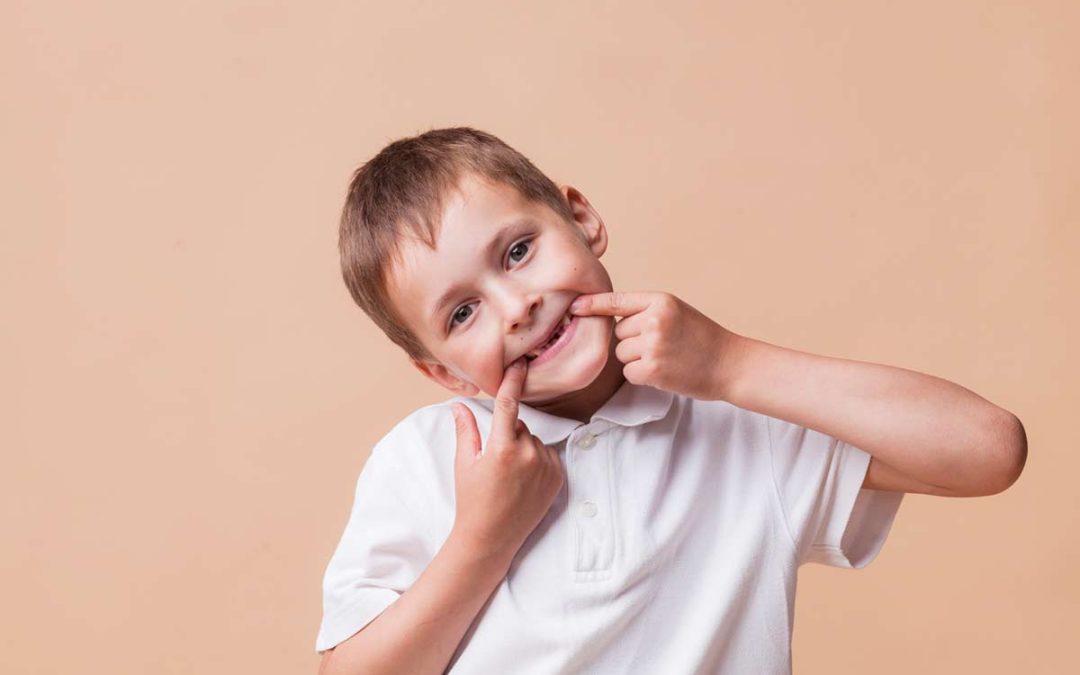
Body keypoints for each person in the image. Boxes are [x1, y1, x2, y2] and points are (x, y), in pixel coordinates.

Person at [315, 127, 1027, 674]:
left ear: (582, 218)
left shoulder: (738, 418)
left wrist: (730, 364)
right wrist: (484, 536)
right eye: (462, 313)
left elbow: (990, 450)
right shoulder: (426, 459)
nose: (516, 306)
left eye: (518, 252)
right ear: (445, 374)